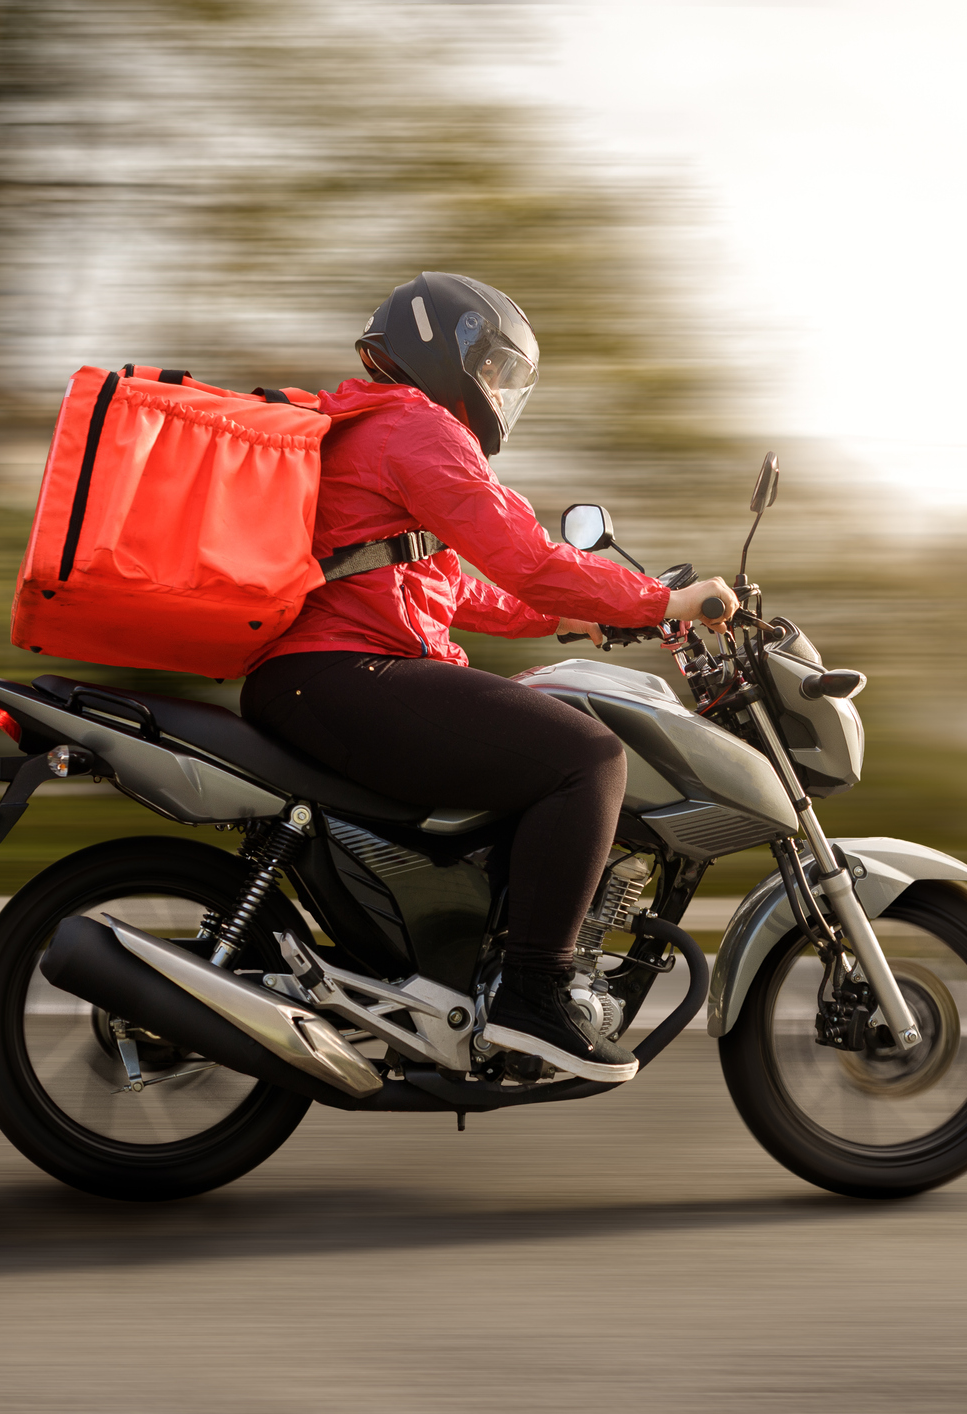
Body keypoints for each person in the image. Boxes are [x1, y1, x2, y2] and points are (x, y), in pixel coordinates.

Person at [240, 272, 732, 1084]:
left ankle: (478, 972)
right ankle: (531, 996)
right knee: (588, 758)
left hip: (323, 676)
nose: (500, 389)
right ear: (447, 351)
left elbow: (449, 585)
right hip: (344, 673)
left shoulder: (376, 428)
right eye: (494, 366)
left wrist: (568, 617)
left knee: (534, 748)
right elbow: (528, 557)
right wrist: (662, 599)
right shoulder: (414, 426)